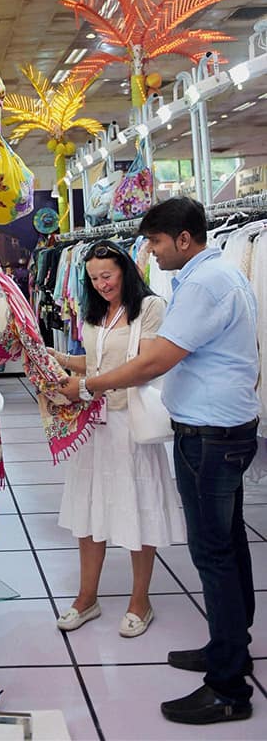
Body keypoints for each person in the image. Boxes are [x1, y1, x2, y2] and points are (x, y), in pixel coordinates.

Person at [61, 197, 260, 726]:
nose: (148, 251)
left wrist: (88, 386)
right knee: (229, 543)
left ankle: (228, 689)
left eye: (153, 241)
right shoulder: (219, 273)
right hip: (222, 426)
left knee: (214, 553)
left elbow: (153, 360)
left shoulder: (200, 285)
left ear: (183, 239)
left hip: (213, 434)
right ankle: (227, 650)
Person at [50, 240, 183, 638]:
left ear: (126, 269)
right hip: (94, 426)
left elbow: (143, 367)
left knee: (138, 508)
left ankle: (140, 601)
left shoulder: (150, 309)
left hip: (131, 424)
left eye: (107, 275)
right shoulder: (95, 313)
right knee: (88, 512)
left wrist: (87, 385)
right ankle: (86, 597)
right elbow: (96, 361)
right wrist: (57, 360)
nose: (101, 284)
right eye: (93, 278)